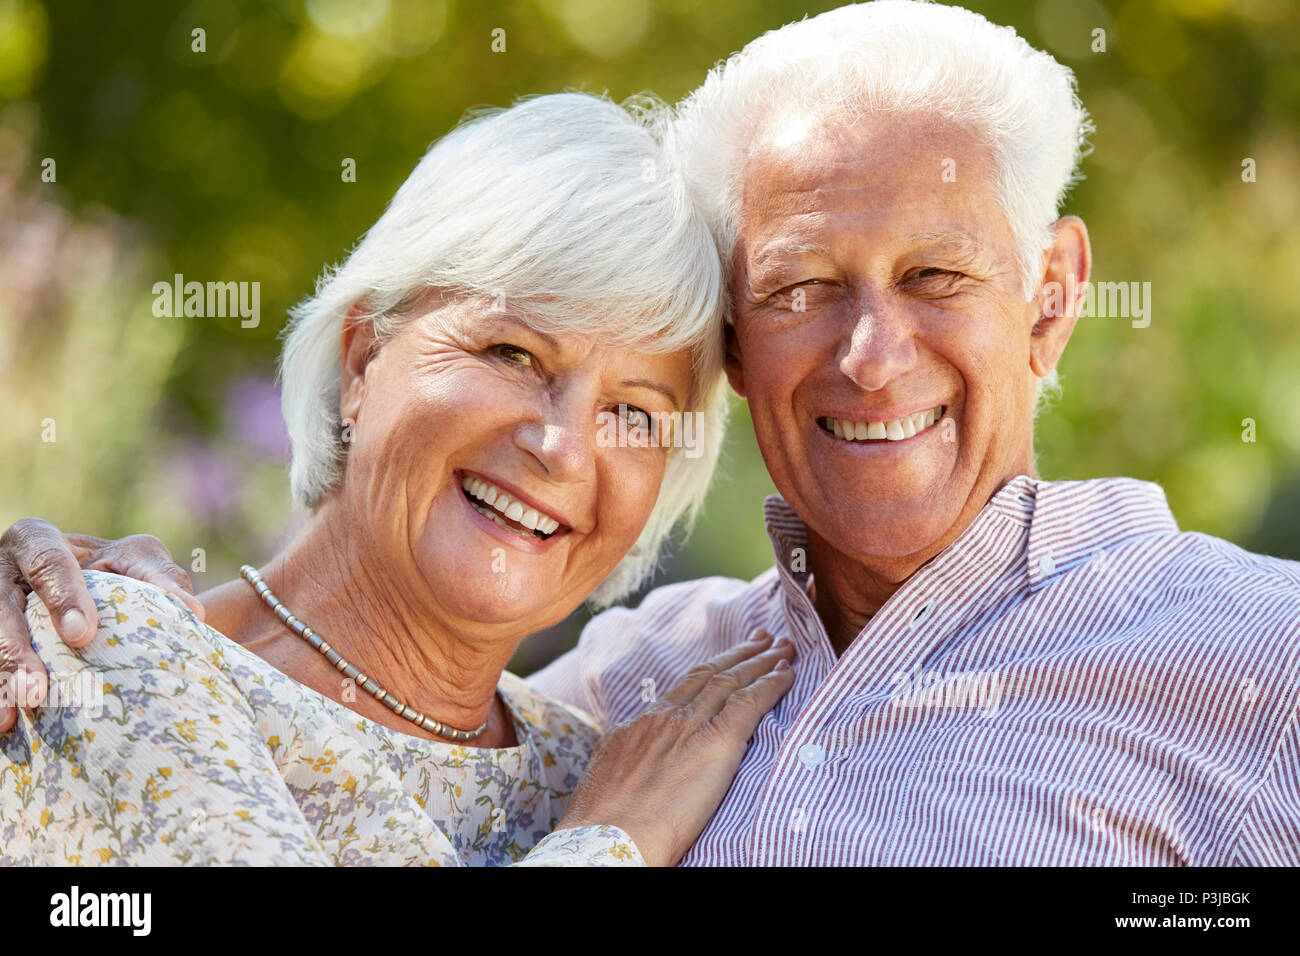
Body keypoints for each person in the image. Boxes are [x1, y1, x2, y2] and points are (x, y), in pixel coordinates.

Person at [6, 1, 1299, 866]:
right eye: (800, 288)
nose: (870, 354)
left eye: (938, 279)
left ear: (1056, 296)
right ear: (361, 359)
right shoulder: (640, 700)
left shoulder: (1257, 661)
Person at [0, 91, 796, 866]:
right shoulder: (120, 655)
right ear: (361, 360)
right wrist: (611, 847)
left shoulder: (607, 767)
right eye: (513, 354)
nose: (563, 448)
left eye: (635, 414)